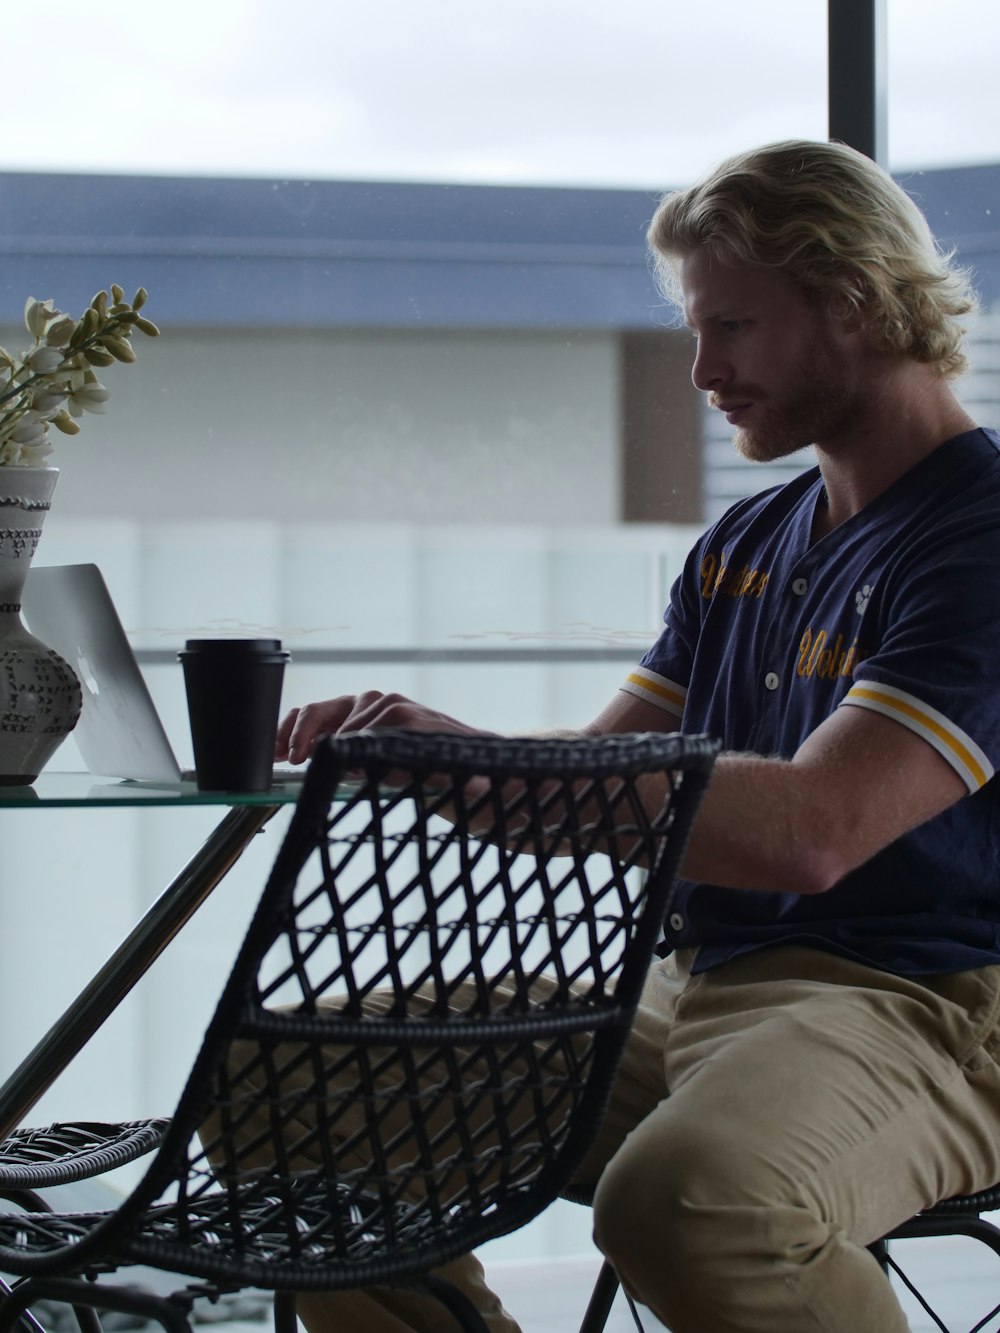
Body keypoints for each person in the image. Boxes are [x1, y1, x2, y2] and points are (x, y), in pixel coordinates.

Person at [274, 140, 1000, 1332]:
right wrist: (444, 749)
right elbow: (609, 764)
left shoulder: (977, 540)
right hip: (695, 984)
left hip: (921, 998)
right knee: (290, 1090)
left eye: (737, 327)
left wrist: (478, 768)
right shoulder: (747, 544)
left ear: (857, 307)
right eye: (694, 331)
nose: (704, 369)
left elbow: (814, 833)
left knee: (692, 1203)